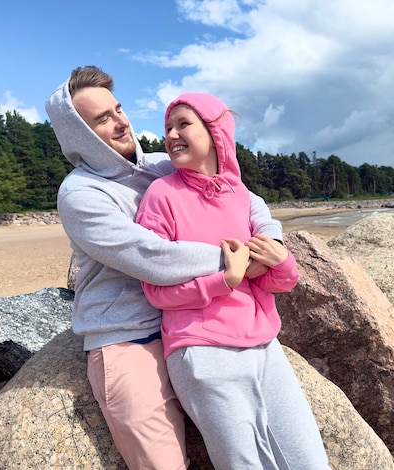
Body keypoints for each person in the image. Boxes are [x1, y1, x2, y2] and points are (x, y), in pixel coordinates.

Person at [45, 66, 283, 470]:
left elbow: (240, 193)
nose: (120, 122)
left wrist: (270, 238)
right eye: (102, 119)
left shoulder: (161, 166)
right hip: (127, 339)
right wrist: (233, 259)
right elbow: (149, 256)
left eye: (118, 109)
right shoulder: (80, 194)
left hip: (189, 322)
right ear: (77, 134)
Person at [136, 92, 331, 469]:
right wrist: (224, 280)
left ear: (215, 131)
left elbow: (277, 280)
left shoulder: (245, 197)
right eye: (168, 127)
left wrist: (284, 261)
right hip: (202, 349)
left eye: (183, 124)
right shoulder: (161, 195)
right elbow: (155, 288)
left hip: (264, 345)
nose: (172, 134)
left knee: (309, 461)